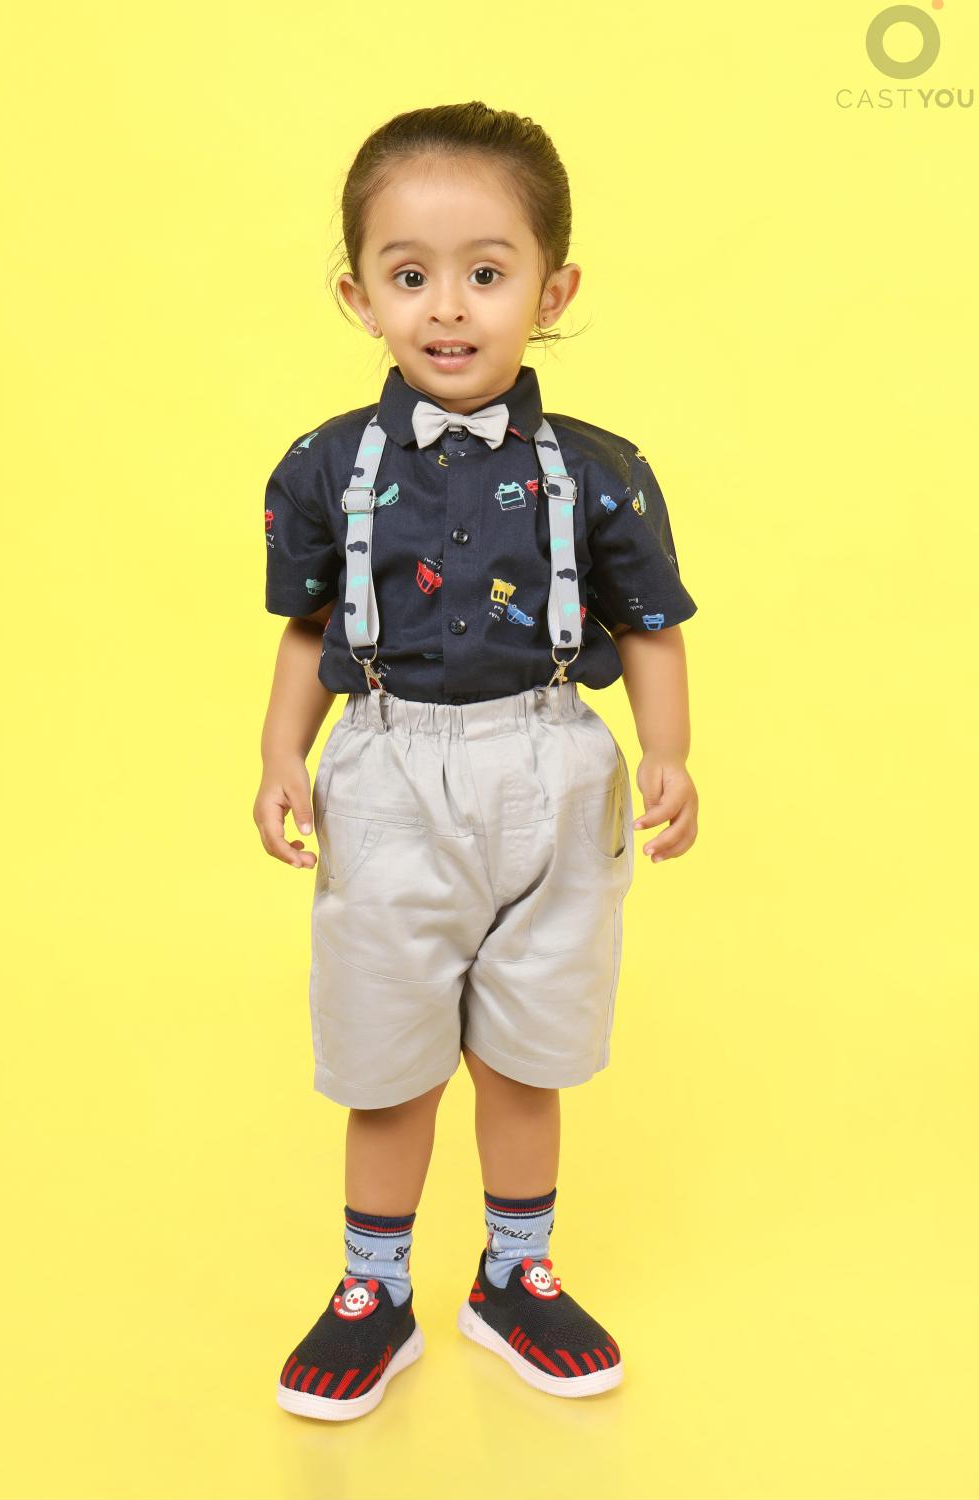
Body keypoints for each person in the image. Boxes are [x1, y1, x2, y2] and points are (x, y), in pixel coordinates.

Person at [256, 102, 699, 1421]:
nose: (447, 307)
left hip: (554, 771)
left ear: (552, 292)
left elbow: (649, 623)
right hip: (387, 773)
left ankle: (513, 1275)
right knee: (389, 1052)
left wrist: (669, 752)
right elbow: (311, 625)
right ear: (360, 294)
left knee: (526, 1047)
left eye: (487, 272)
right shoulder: (324, 467)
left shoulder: (603, 473)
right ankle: (373, 1292)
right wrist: (282, 752)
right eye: (410, 274)